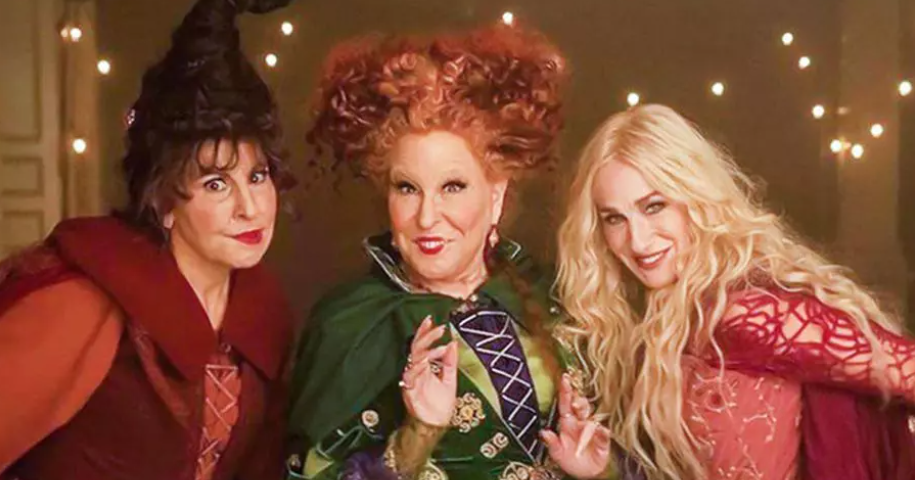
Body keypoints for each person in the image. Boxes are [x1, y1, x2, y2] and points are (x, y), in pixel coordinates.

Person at [286, 24, 619, 480]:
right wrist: (417, 435)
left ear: (496, 195)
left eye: (453, 187)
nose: (427, 217)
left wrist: (599, 472)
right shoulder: (346, 325)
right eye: (408, 188)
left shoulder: (559, 299)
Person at [0, 0, 296, 479]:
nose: (250, 206)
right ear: (163, 203)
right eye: (216, 183)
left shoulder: (266, 313)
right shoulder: (82, 302)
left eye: (257, 176)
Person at [556, 103, 915, 480]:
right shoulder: (660, 326)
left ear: (694, 197)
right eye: (615, 218)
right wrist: (603, 469)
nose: (638, 241)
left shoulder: (749, 313)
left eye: (654, 206)